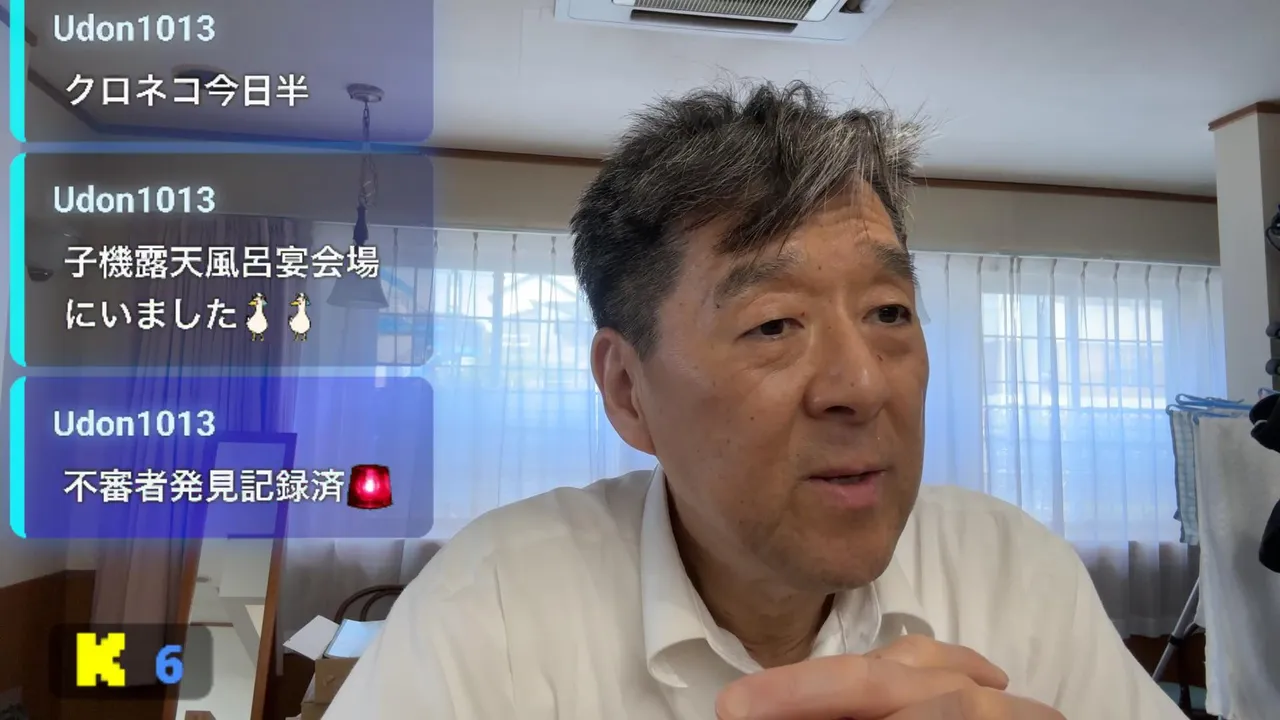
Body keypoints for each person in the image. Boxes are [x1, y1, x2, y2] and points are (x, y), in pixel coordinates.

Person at [326, 81, 1185, 719]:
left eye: (890, 313)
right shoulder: (496, 607)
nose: (861, 385)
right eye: (774, 325)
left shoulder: (1014, 577)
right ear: (628, 391)